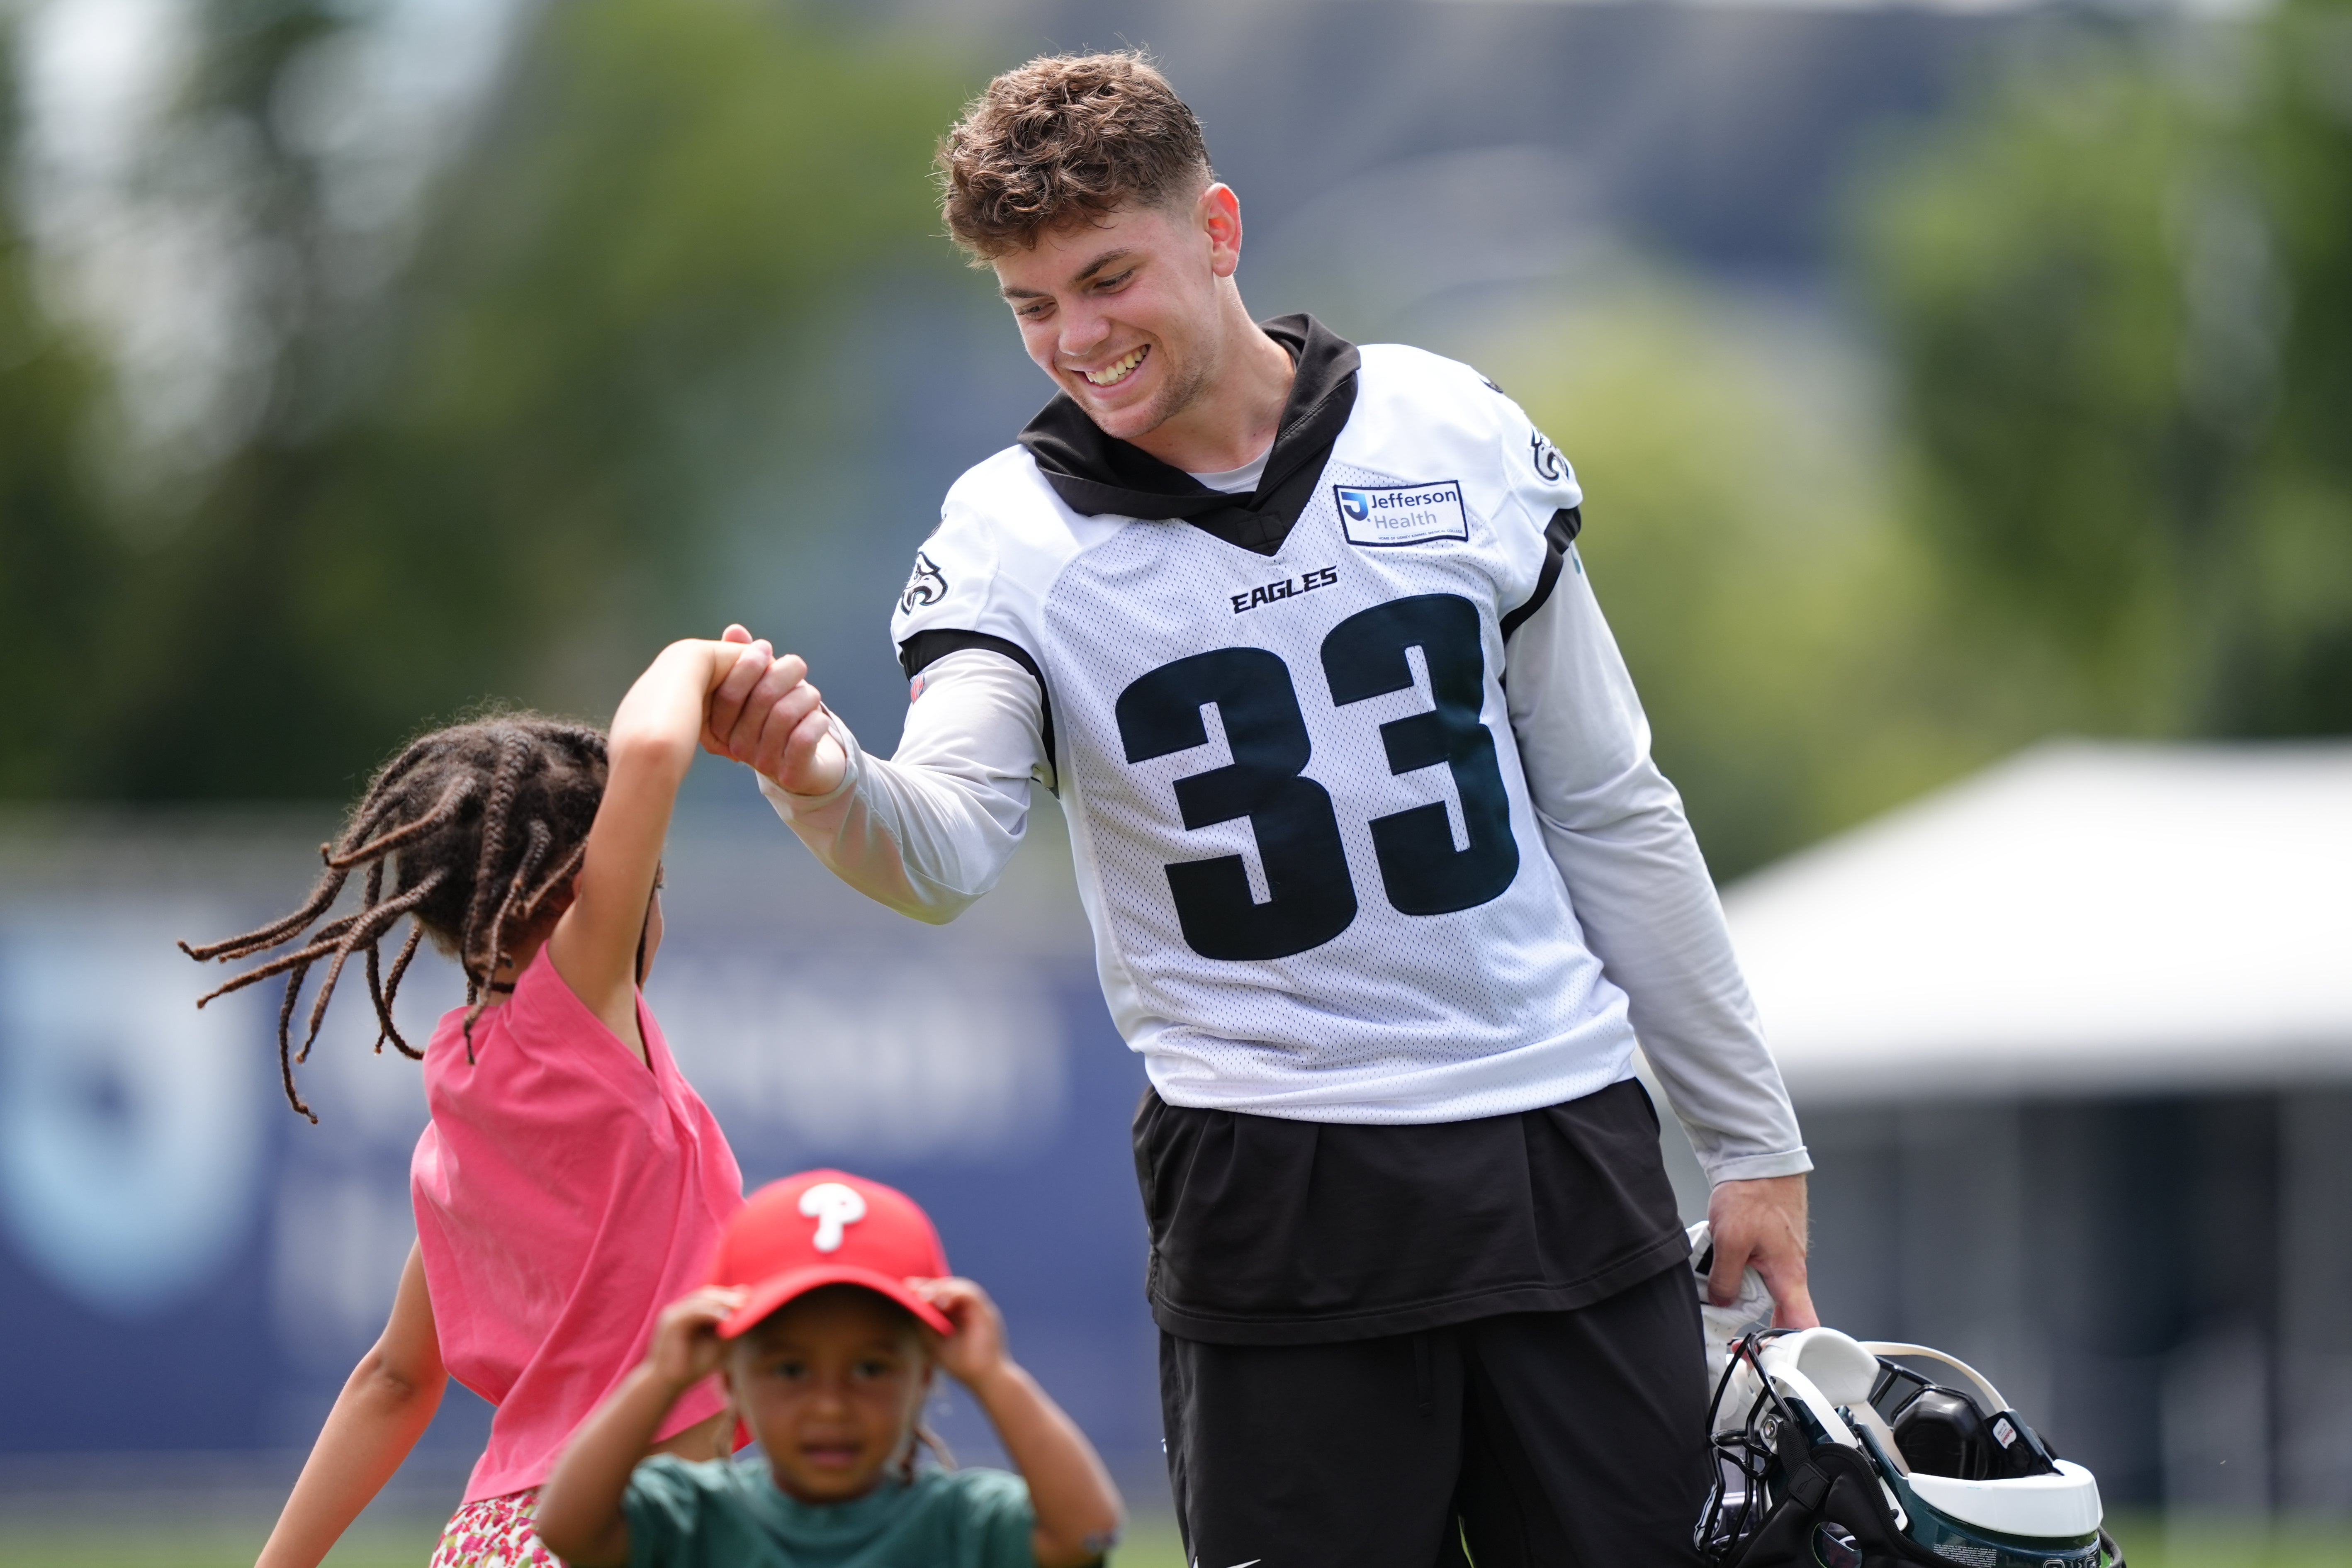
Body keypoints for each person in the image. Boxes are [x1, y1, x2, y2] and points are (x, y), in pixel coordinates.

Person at [705, 51, 1817, 1567]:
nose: (1079, 341)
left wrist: (1750, 1135)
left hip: (1558, 1147)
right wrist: (820, 779)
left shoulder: (1449, 427)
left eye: (1107, 279)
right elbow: (948, 845)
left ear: (1217, 229)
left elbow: (1610, 802)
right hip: (1275, 1179)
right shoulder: (1011, 537)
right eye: (1033, 306)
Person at [181, 637, 773, 1568]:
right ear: (586, 892)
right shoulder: (579, 1010)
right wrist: (695, 660)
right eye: (645, 883)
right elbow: (654, 754)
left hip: (491, 1540)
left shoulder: (459, 1121)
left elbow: (391, 1379)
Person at [536, 1169, 1124, 1567]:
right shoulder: (696, 1513)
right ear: (727, 1375)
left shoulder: (959, 1520)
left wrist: (995, 1376)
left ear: (923, 1375)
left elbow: (1088, 1534)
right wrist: (659, 1379)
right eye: (790, 1370)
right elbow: (567, 1529)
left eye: (870, 1368)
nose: (831, 1405)